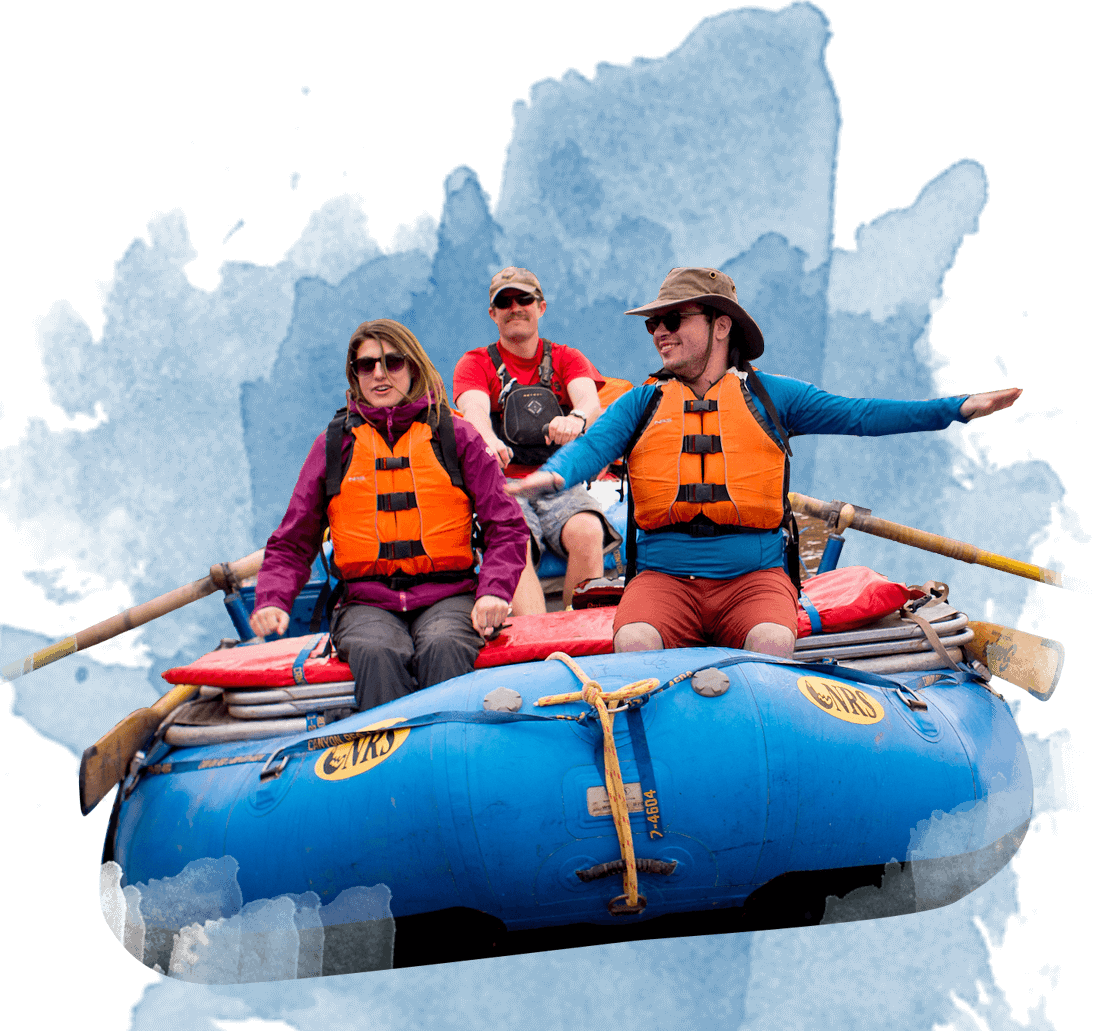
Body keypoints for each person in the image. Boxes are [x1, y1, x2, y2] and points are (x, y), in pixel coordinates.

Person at [506, 266, 1022, 657]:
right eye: (652, 324)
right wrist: (546, 479)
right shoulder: (641, 404)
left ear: (721, 325)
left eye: (671, 319)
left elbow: (861, 415)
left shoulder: (773, 396)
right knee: (636, 641)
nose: (658, 331)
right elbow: (588, 449)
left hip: (754, 578)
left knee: (774, 640)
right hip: (662, 580)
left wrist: (956, 408)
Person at [250, 319, 529, 712]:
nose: (379, 374)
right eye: (367, 365)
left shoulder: (456, 435)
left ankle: (450, 760)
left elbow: (507, 528)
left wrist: (495, 591)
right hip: (366, 603)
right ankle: (391, 765)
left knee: (445, 645)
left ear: (413, 367)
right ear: (355, 374)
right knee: (377, 651)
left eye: (392, 362)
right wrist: (273, 601)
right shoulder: (334, 445)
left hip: (449, 595)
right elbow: (294, 540)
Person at [453, 266, 627, 611]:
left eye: (524, 299)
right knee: (512, 539)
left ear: (541, 307)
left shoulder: (566, 357)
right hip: (504, 486)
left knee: (588, 531)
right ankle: (536, 639)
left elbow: (589, 401)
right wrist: (490, 439)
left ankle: (575, 630)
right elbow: (473, 412)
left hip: (557, 482)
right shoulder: (474, 363)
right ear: (493, 313)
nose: (515, 307)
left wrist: (575, 419)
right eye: (505, 302)